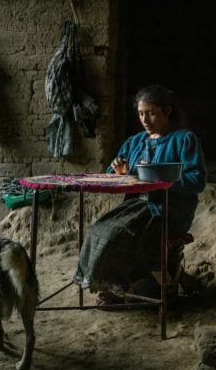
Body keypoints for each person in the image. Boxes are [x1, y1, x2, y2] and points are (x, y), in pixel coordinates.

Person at [73, 84, 206, 305]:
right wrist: (119, 172)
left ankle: (117, 290)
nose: (145, 119)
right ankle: (109, 287)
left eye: (151, 113)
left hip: (167, 209)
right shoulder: (135, 142)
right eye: (141, 113)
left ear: (168, 111)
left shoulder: (184, 140)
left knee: (117, 235)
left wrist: (166, 182)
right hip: (137, 205)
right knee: (100, 229)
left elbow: (197, 180)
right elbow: (112, 175)